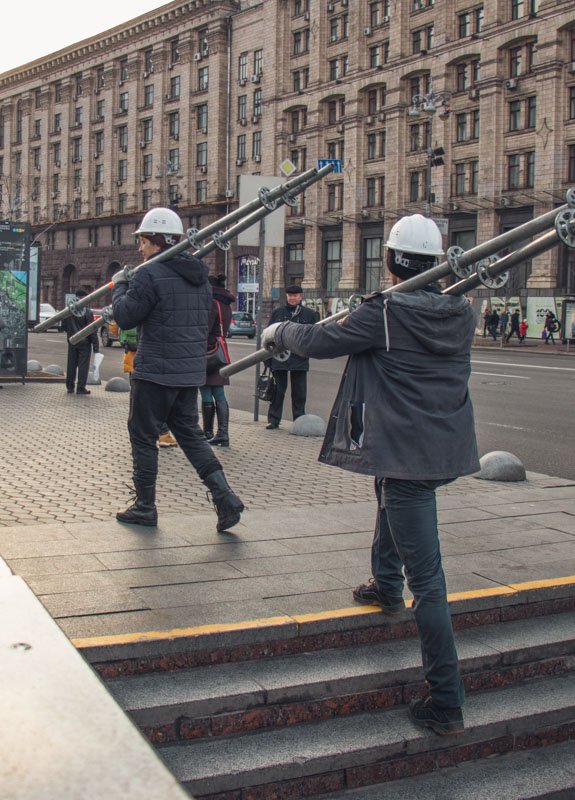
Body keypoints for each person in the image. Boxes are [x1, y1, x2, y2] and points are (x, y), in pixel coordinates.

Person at [261, 213, 478, 736]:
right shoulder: (460, 310)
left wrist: (276, 330)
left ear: (392, 261)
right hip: (442, 447)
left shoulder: (385, 312)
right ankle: (385, 583)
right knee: (389, 497)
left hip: (406, 454)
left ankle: (445, 701)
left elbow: (317, 340)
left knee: (429, 582)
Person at [110, 207, 244, 532]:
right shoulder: (199, 277)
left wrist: (120, 286)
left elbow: (125, 316)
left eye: (143, 241)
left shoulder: (148, 274)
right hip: (187, 374)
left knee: (143, 436)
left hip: (155, 373)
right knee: (190, 435)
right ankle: (225, 496)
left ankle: (145, 507)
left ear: (157, 241)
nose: (139, 248)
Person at [265, 284, 318, 430]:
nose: (292, 298)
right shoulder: (277, 313)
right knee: (277, 391)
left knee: (299, 393)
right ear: (286, 296)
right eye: (290, 296)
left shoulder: (310, 315)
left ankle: (299, 420)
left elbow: (314, 336)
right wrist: (267, 359)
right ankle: (273, 420)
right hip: (279, 357)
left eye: (295, 296)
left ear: (300, 297)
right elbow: (268, 335)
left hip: (300, 358)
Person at [119, 323, 178, 449]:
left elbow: (116, 329)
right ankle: (162, 434)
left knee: (137, 400)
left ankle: (138, 434)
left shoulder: (131, 318)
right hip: (147, 361)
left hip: (133, 359)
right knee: (155, 401)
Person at [202, 274, 235, 447]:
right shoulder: (225, 303)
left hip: (207, 352)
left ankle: (208, 432)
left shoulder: (211, 303)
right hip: (220, 352)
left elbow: (204, 330)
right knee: (218, 392)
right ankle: (222, 433)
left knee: (206, 390)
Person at [60, 288, 98, 395]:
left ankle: (70, 387)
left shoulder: (69, 311)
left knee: (71, 364)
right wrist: (96, 347)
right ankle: (80, 388)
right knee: (83, 366)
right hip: (85, 343)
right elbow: (92, 330)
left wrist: (71, 334)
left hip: (72, 341)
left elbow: (64, 326)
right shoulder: (88, 312)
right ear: (84, 298)